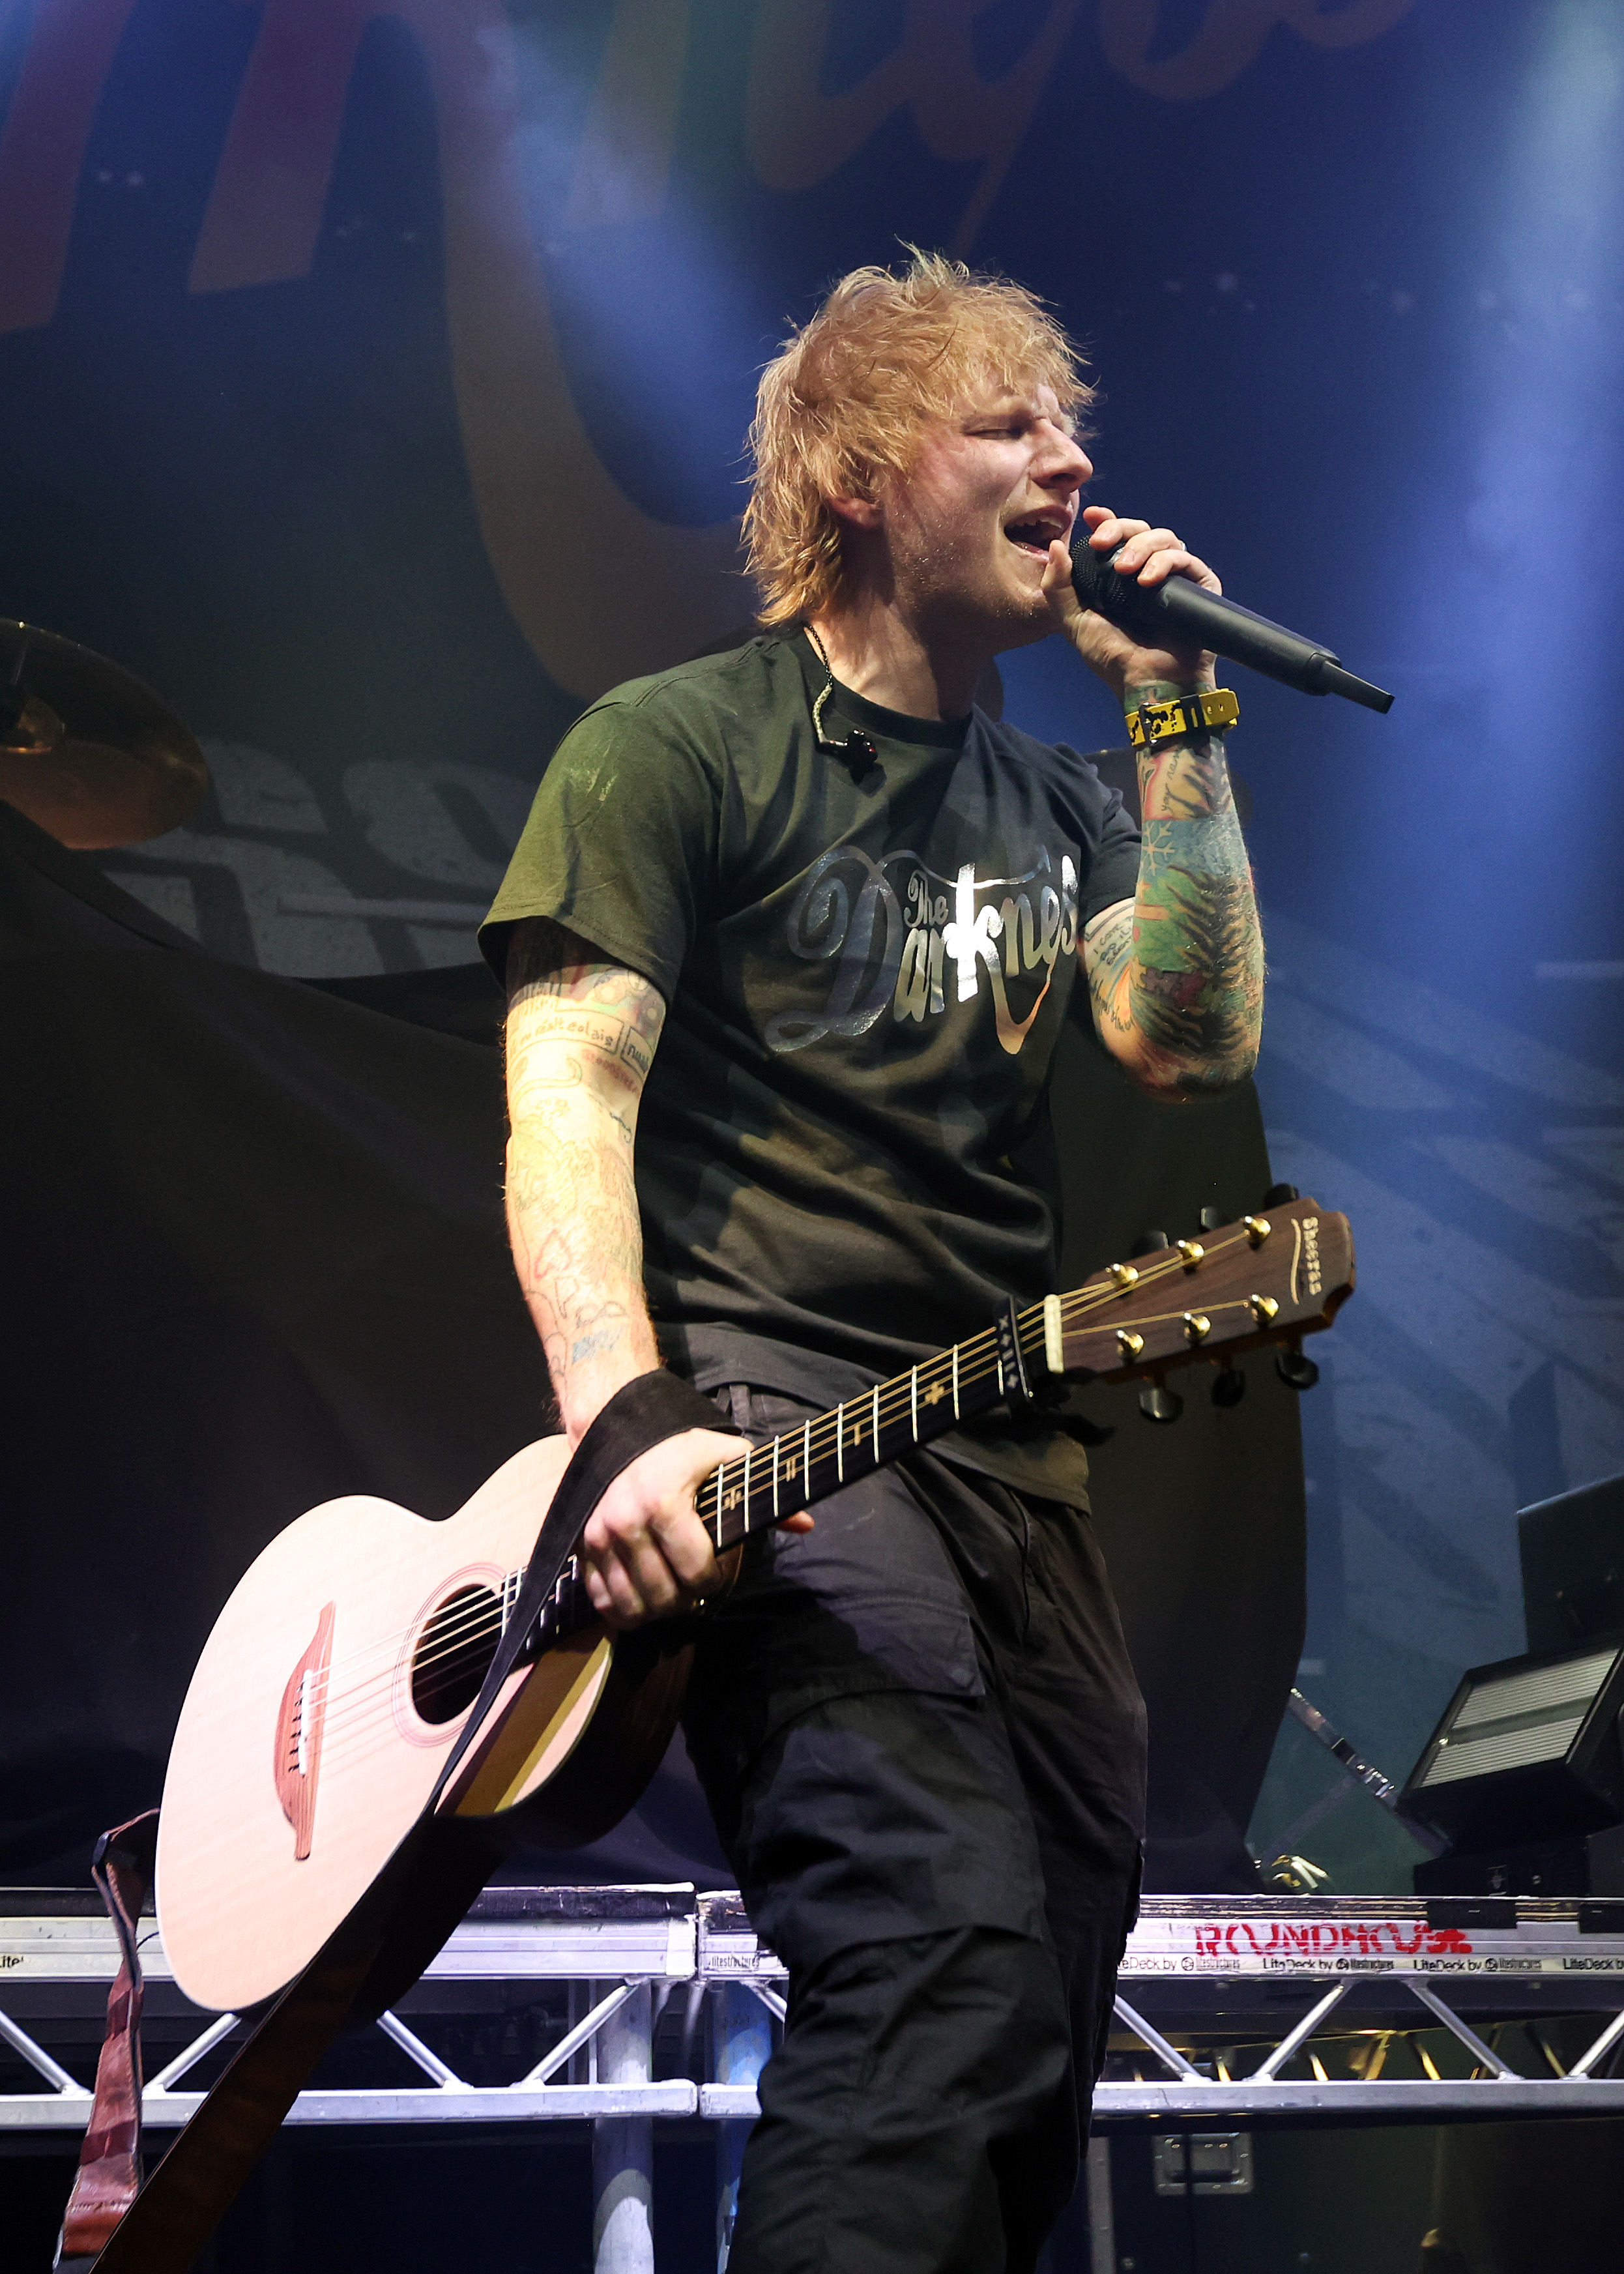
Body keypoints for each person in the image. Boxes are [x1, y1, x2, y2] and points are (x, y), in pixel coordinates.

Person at [480, 252, 1263, 2273]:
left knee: (1038, 2007)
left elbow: (1187, 1031)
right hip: (768, 1424)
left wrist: (1172, 705)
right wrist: (625, 1427)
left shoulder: (1052, 796)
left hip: (1016, 1462)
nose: (1067, 458)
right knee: (928, 1953)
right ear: (851, 473)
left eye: (1065, 424)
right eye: (1005, 424)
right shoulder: (677, 748)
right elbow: (566, 1096)